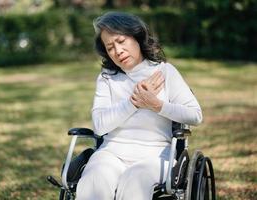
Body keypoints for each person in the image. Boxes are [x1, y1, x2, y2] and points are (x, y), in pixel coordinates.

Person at [76, 11, 202, 200]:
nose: (117, 51)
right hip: (111, 154)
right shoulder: (107, 78)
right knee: (95, 178)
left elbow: (195, 115)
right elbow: (100, 126)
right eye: (110, 47)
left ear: (136, 37)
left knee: (135, 180)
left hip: (155, 156)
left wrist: (157, 105)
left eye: (121, 41)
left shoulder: (165, 72)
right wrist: (134, 102)